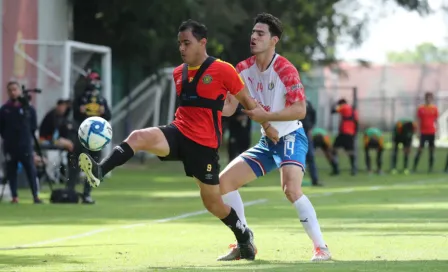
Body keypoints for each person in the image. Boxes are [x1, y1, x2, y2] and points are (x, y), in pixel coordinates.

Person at [78, 19, 275, 259]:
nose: (182, 48)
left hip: (203, 146)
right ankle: (100, 171)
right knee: (138, 136)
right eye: (179, 43)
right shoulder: (178, 73)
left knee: (212, 203)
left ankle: (244, 238)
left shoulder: (224, 70)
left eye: (187, 43)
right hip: (178, 132)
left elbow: (248, 102)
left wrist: (267, 125)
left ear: (202, 43)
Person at [218, 13, 331, 262]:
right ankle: (244, 241)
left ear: (274, 40)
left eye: (260, 33)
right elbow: (227, 108)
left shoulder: (285, 69)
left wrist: (266, 115)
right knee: (224, 183)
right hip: (267, 141)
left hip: (291, 135)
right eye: (253, 32)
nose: (254, 37)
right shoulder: (241, 69)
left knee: (290, 188)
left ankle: (321, 247)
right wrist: (209, 101)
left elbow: (300, 109)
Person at [72, 71, 112, 204]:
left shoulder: (101, 99)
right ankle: (70, 192)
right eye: (93, 80)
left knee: (94, 165)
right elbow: (75, 116)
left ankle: (86, 194)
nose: (95, 84)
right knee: (77, 163)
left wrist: (103, 112)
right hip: (82, 135)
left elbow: (108, 116)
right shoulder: (80, 98)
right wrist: (79, 111)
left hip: (97, 138)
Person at [0, 81, 42, 203]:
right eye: (10, 90)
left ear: (19, 90)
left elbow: (33, 126)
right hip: (10, 145)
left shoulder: (28, 109)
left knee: (30, 170)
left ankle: (35, 195)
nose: (13, 92)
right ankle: (14, 196)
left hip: (25, 145)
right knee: (11, 171)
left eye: (15, 89)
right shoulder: (4, 109)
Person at [412, 92, 438, 173]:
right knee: (420, 150)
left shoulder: (434, 109)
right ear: (425, 98)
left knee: (431, 150)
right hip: (423, 132)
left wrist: (438, 131)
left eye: (430, 98)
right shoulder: (421, 108)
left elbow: (436, 121)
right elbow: (418, 120)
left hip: (432, 132)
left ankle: (430, 169)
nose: (429, 99)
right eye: (427, 97)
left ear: (432, 99)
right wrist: (417, 132)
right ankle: (414, 168)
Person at [331, 99, 358, 175]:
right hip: (351, 133)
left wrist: (335, 105)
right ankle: (353, 169)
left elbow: (333, 111)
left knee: (333, 149)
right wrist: (354, 133)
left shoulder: (344, 106)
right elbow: (356, 122)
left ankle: (336, 169)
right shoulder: (354, 110)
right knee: (351, 151)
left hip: (343, 133)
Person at [300, 100, 322, 186]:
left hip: (306, 133)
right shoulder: (291, 102)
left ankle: (315, 180)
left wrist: (311, 127)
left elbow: (313, 115)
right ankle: (295, 181)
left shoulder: (308, 103)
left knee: (310, 156)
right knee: (296, 157)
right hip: (295, 134)